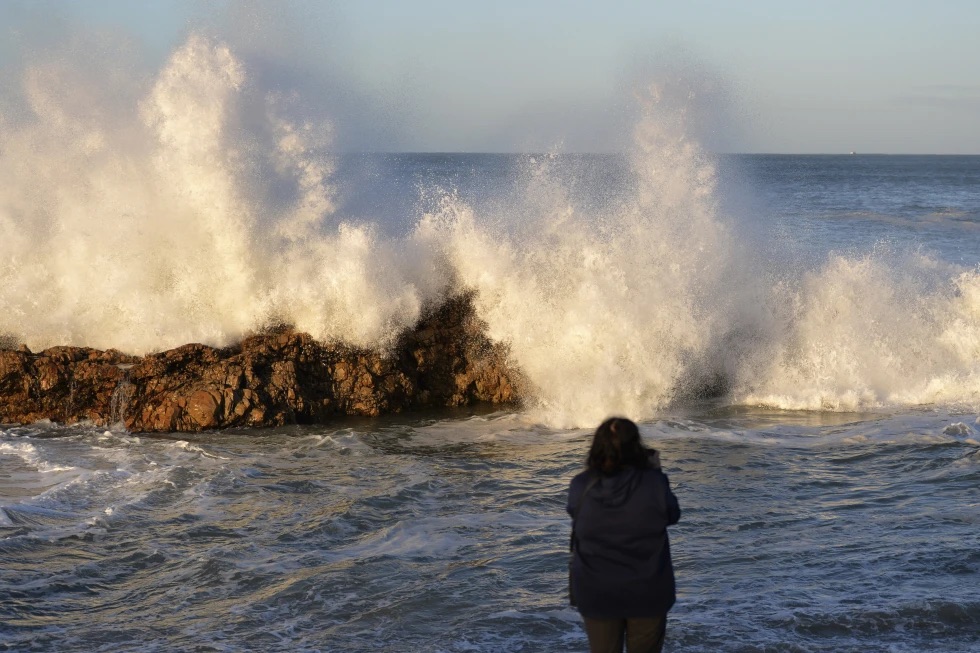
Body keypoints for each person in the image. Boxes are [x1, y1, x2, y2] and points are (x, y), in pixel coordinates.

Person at [567, 417, 681, 653]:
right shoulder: (654, 484)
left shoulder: (581, 486)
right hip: (647, 592)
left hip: (597, 592)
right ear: (636, 446)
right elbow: (672, 515)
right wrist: (655, 471)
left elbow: (573, 511)